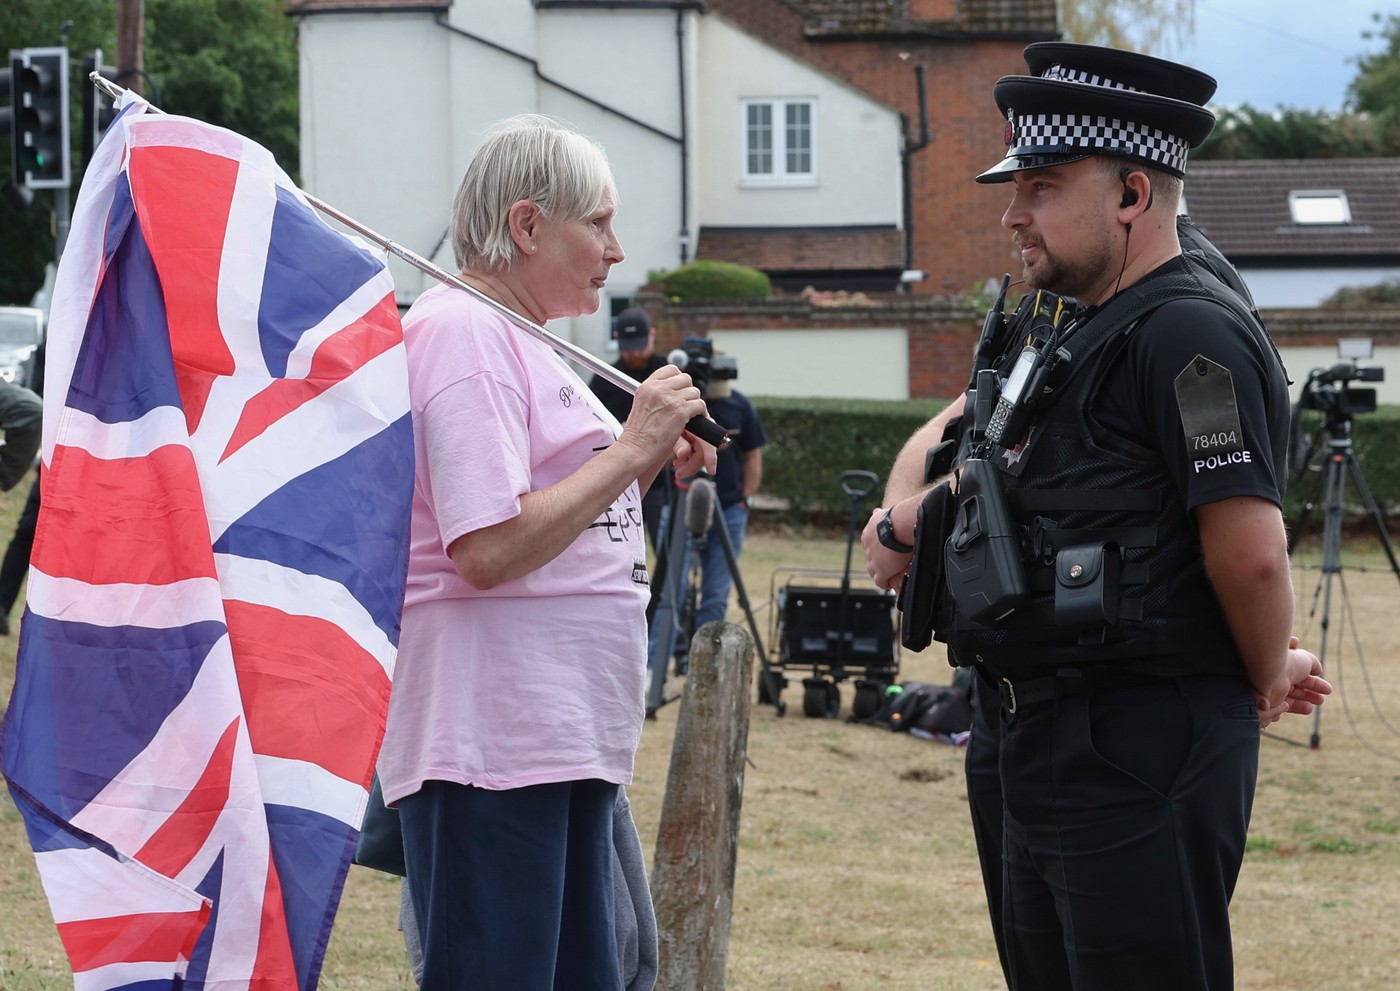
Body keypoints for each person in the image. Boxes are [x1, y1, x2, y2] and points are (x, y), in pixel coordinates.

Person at [861, 43, 1331, 991]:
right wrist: (901, 522)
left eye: (1040, 186)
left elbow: (1251, 555)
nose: (1013, 214)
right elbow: (983, 457)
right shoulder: (1067, 326)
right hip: (1030, 727)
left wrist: (1262, 676)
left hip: (1136, 741)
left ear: (1131, 194)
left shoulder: (1191, 334)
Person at [376, 113, 714, 991]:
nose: (615, 249)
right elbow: (486, 546)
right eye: (597, 223)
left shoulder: (513, 334)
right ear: (527, 225)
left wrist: (641, 462)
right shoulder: (466, 331)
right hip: (495, 744)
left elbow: (560, 528)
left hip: (548, 737)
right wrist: (631, 450)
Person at [648, 358, 766, 670]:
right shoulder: (676, 405)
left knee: (715, 592)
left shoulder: (740, 406)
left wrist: (745, 500)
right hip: (680, 507)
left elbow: (753, 455)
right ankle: (654, 666)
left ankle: (704, 667)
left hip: (728, 508)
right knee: (671, 590)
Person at [588, 308, 671, 550]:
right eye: (628, 347)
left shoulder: (668, 372)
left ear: (652, 335)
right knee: (619, 550)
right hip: (618, 483)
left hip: (662, 482)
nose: (634, 353)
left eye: (639, 346)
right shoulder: (606, 377)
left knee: (668, 550)